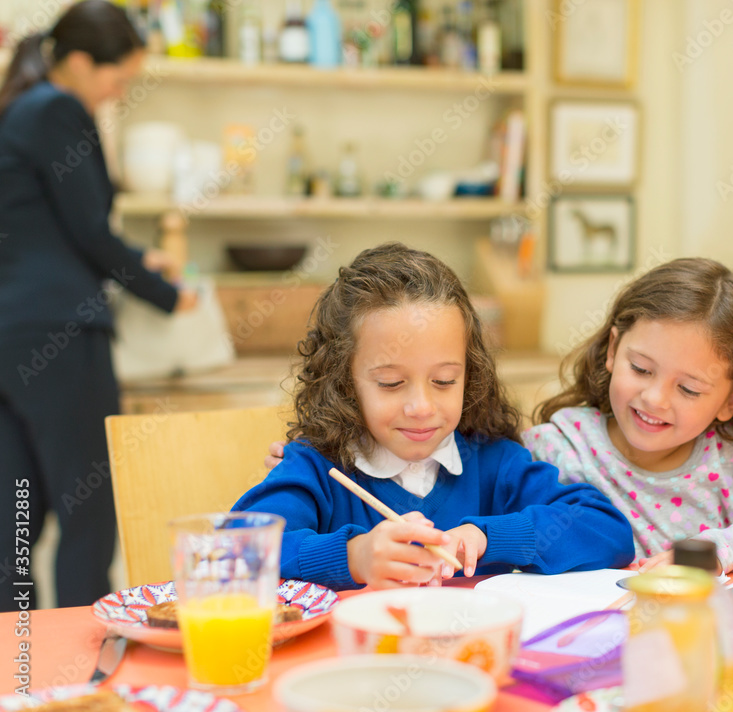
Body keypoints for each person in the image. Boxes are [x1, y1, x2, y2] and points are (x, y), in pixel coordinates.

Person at [233, 243, 634, 590]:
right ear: (344, 382)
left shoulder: (494, 462)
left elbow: (606, 530)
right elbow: (239, 549)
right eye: (391, 383)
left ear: (469, 375)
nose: (422, 407)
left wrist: (488, 537)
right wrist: (353, 557)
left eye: (444, 381)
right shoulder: (316, 466)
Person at [0, 0, 197, 610]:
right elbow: (90, 231)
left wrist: (138, 259)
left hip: (13, 333)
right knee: (89, 512)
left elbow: (55, 232)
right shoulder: (59, 109)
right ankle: (86, 669)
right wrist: (168, 293)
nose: (118, 92)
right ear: (81, 63)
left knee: (16, 520)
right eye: (118, 78)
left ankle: (19, 672)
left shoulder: (18, 113)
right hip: (62, 332)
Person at [528, 257, 733, 574]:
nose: (655, 399)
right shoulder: (558, 449)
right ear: (613, 350)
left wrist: (720, 550)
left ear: (731, 401)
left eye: (688, 389)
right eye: (641, 369)